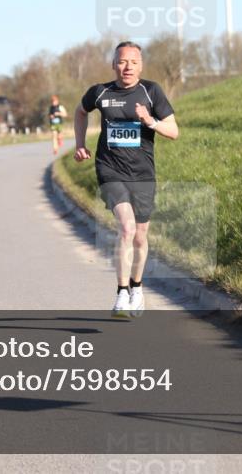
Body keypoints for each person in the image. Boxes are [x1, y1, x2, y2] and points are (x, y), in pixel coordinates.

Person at [74, 41, 179, 317]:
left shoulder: (151, 91)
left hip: (143, 173)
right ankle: (121, 293)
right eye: (122, 61)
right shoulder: (100, 93)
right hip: (110, 169)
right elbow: (80, 111)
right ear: (113, 64)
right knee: (127, 228)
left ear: (140, 65)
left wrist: (150, 122)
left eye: (133, 62)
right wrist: (80, 143)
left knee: (141, 236)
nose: (127, 67)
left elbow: (174, 131)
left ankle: (137, 287)